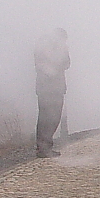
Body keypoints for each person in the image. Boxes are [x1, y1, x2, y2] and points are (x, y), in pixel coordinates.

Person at [34, 28, 70, 158]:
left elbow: (67, 64)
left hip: (55, 88)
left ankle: (45, 147)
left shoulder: (60, 48)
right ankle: (43, 148)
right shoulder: (43, 47)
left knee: (53, 118)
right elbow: (42, 66)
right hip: (48, 88)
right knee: (47, 118)